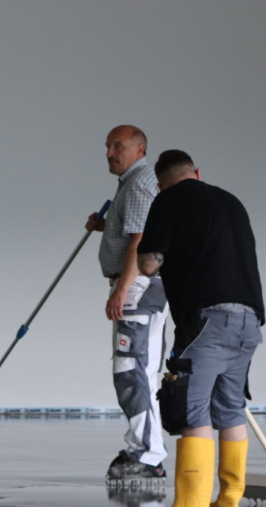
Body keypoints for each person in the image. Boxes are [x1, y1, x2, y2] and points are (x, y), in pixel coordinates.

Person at [135, 150, 265, 507]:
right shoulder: (230, 200)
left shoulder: (168, 199)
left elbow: (147, 263)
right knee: (230, 409)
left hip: (208, 320)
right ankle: (228, 504)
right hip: (249, 320)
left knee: (192, 409)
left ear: (161, 183)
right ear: (197, 173)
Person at [85, 125, 170, 483]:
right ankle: (143, 447)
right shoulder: (133, 183)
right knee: (138, 371)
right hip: (139, 285)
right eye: (107, 146)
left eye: (117, 146)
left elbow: (140, 241)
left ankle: (148, 455)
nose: (109, 152)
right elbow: (135, 230)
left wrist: (122, 290)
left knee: (132, 371)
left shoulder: (137, 184)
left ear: (139, 149)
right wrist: (107, 226)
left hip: (138, 288)